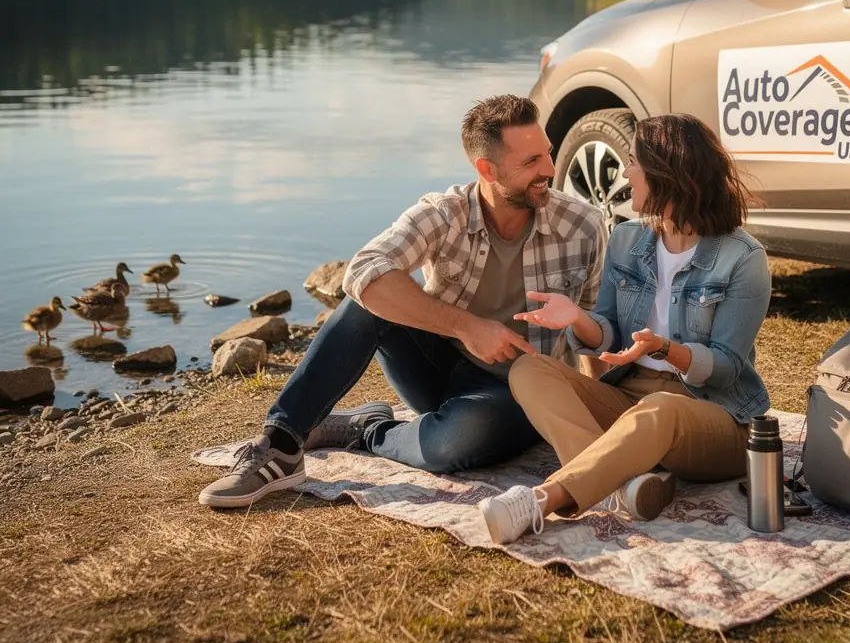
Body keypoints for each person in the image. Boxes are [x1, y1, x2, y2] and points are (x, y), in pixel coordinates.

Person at [199, 94, 606, 509]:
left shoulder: (583, 226)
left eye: (548, 154)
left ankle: (367, 428)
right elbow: (363, 271)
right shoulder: (444, 213)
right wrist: (468, 328)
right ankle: (282, 443)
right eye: (531, 162)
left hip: (517, 393)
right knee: (366, 300)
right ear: (486, 169)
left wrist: (600, 423)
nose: (550, 171)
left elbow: (593, 326)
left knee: (454, 444)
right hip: (434, 367)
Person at [478, 114, 771, 544]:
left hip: (714, 417)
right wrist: (579, 319)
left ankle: (541, 500)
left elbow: (727, 368)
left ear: (667, 173)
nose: (625, 173)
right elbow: (611, 334)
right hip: (634, 399)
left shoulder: (743, 258)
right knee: (529, 370)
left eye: (633, 162)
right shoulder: (626, 240)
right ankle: (622, 488)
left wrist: (667, 349)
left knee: (662, 410)